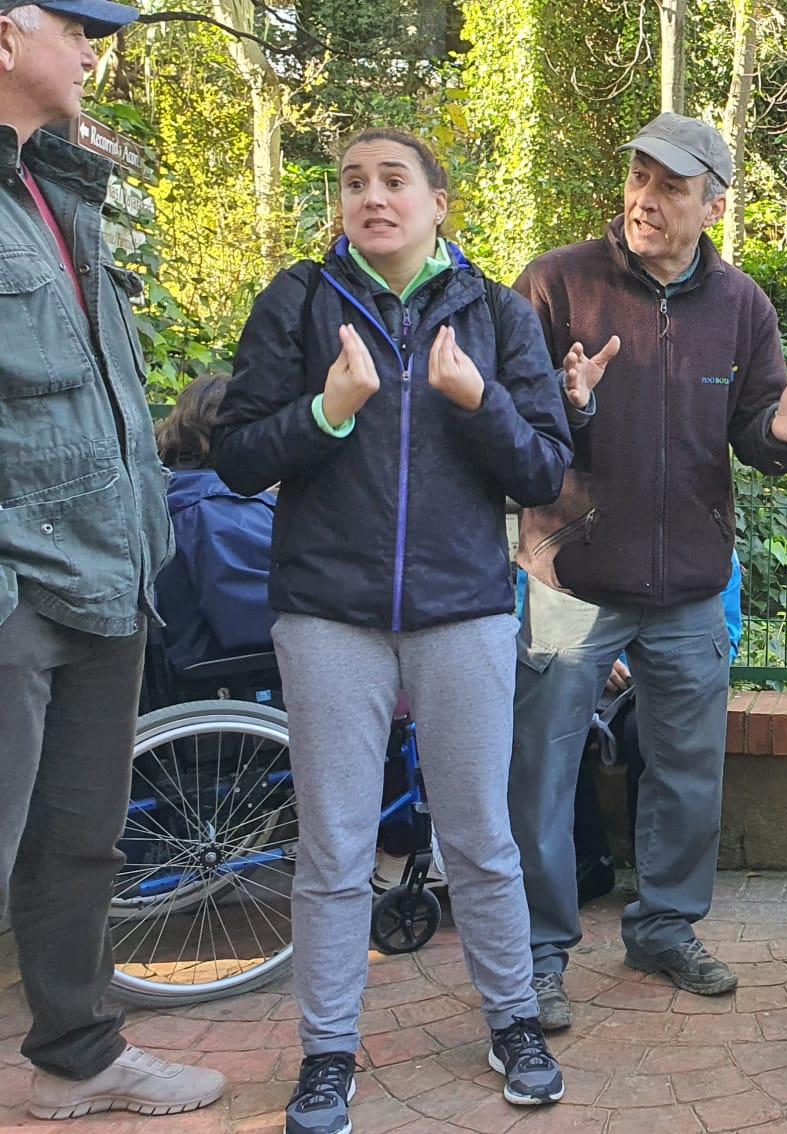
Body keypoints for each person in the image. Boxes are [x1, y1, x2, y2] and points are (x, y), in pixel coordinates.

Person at [213, 128, 572, 1134]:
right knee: (332, 848)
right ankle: (328, 1054)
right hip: (329, 614)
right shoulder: (297, 300)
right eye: (353, 183)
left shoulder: (499, 314)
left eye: (393, 181)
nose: (372, 197)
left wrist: (476, 399)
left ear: (438, 202)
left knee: (480, 839)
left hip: (462, 610)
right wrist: (326, 413)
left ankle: (514, 1023)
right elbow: (237, 455)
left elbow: (544, 467)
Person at [507, 112, 787, 1026]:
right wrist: (565, 406)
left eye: (672, 187)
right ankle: (536, 952)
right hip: (569, 578)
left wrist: (781, 431)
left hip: (688, 585)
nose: (647, 200)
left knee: (688, 773)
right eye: (640, 178)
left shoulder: (743, 306)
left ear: (713, 205)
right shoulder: (553, 285)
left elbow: (758, 431)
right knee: (541, 771)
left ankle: (664, 927)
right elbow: (501, 428)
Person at [0, 0, 227, 1120]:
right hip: (16, 591)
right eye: (78, 25)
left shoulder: (56, 186)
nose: (99, 48)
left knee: (79, 847)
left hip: (106, 578)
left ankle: (76, 1061)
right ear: (5, 33)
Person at [152, 373, 277, 676]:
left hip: (193, 655)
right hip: (234, 663)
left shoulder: (179, 490)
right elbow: (259, 607)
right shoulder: (221, 508)